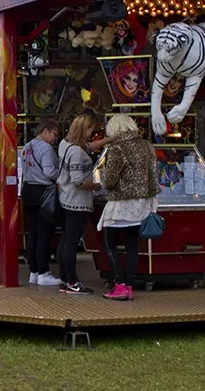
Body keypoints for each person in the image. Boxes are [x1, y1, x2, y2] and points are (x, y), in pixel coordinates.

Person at [96, 114, 159, 301]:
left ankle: (119, 285)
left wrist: (103, 179)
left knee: (110, 243)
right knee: (132, 244)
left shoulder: (117, 148)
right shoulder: (147, 146)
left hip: (121, 204)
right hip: (142, 204)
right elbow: (153, 173)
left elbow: (109, 181)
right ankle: (129, 286)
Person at [56, 112, 105, 295]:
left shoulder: (65, 144)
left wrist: (107, 140)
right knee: (71, 242)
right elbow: (78, 180)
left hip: (65, 198)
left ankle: (64, 279)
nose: (92, 133)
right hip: (77, 202)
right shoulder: (76, 152)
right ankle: (72, 281)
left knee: (65, 240)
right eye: (91, 129)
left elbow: (88, 147)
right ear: (85, 129)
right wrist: (96, 185)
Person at [19, 119, 63, 288]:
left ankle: (34, 271)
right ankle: (44, 272)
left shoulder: (26, 147)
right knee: (44, 234)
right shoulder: (46, 149)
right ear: (45, 131)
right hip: (44, 193)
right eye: (54, 134)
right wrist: (62, 176)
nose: (56, 138)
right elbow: (49, 172)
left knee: (33, 234)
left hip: (28, 191)